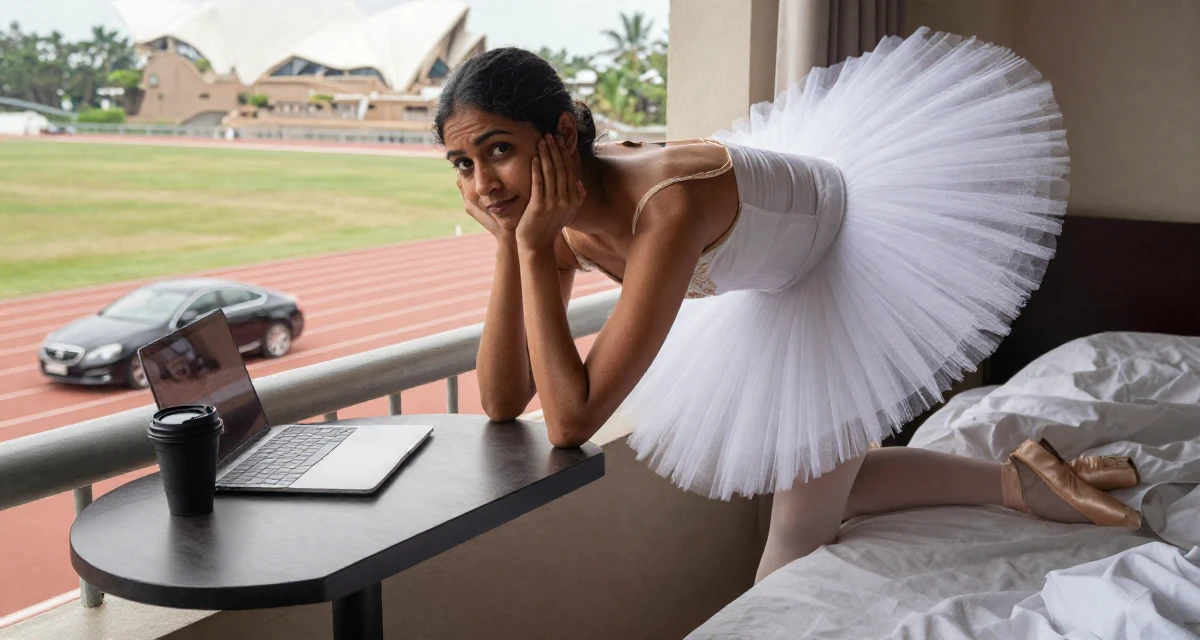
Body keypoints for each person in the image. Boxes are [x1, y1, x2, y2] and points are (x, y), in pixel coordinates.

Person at [433, 28, 1143, 582]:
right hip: (769, 271)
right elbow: (501, 400)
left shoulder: (665, 207)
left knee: (799, 528)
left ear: (560, 135)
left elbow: (570, 418)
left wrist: (528, 251)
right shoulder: (551, 225)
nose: (482, 184)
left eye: (498, 151)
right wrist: (510, 245)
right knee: (828, 480)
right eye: (463, 165)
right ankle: (1024, 480)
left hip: (836, 254)